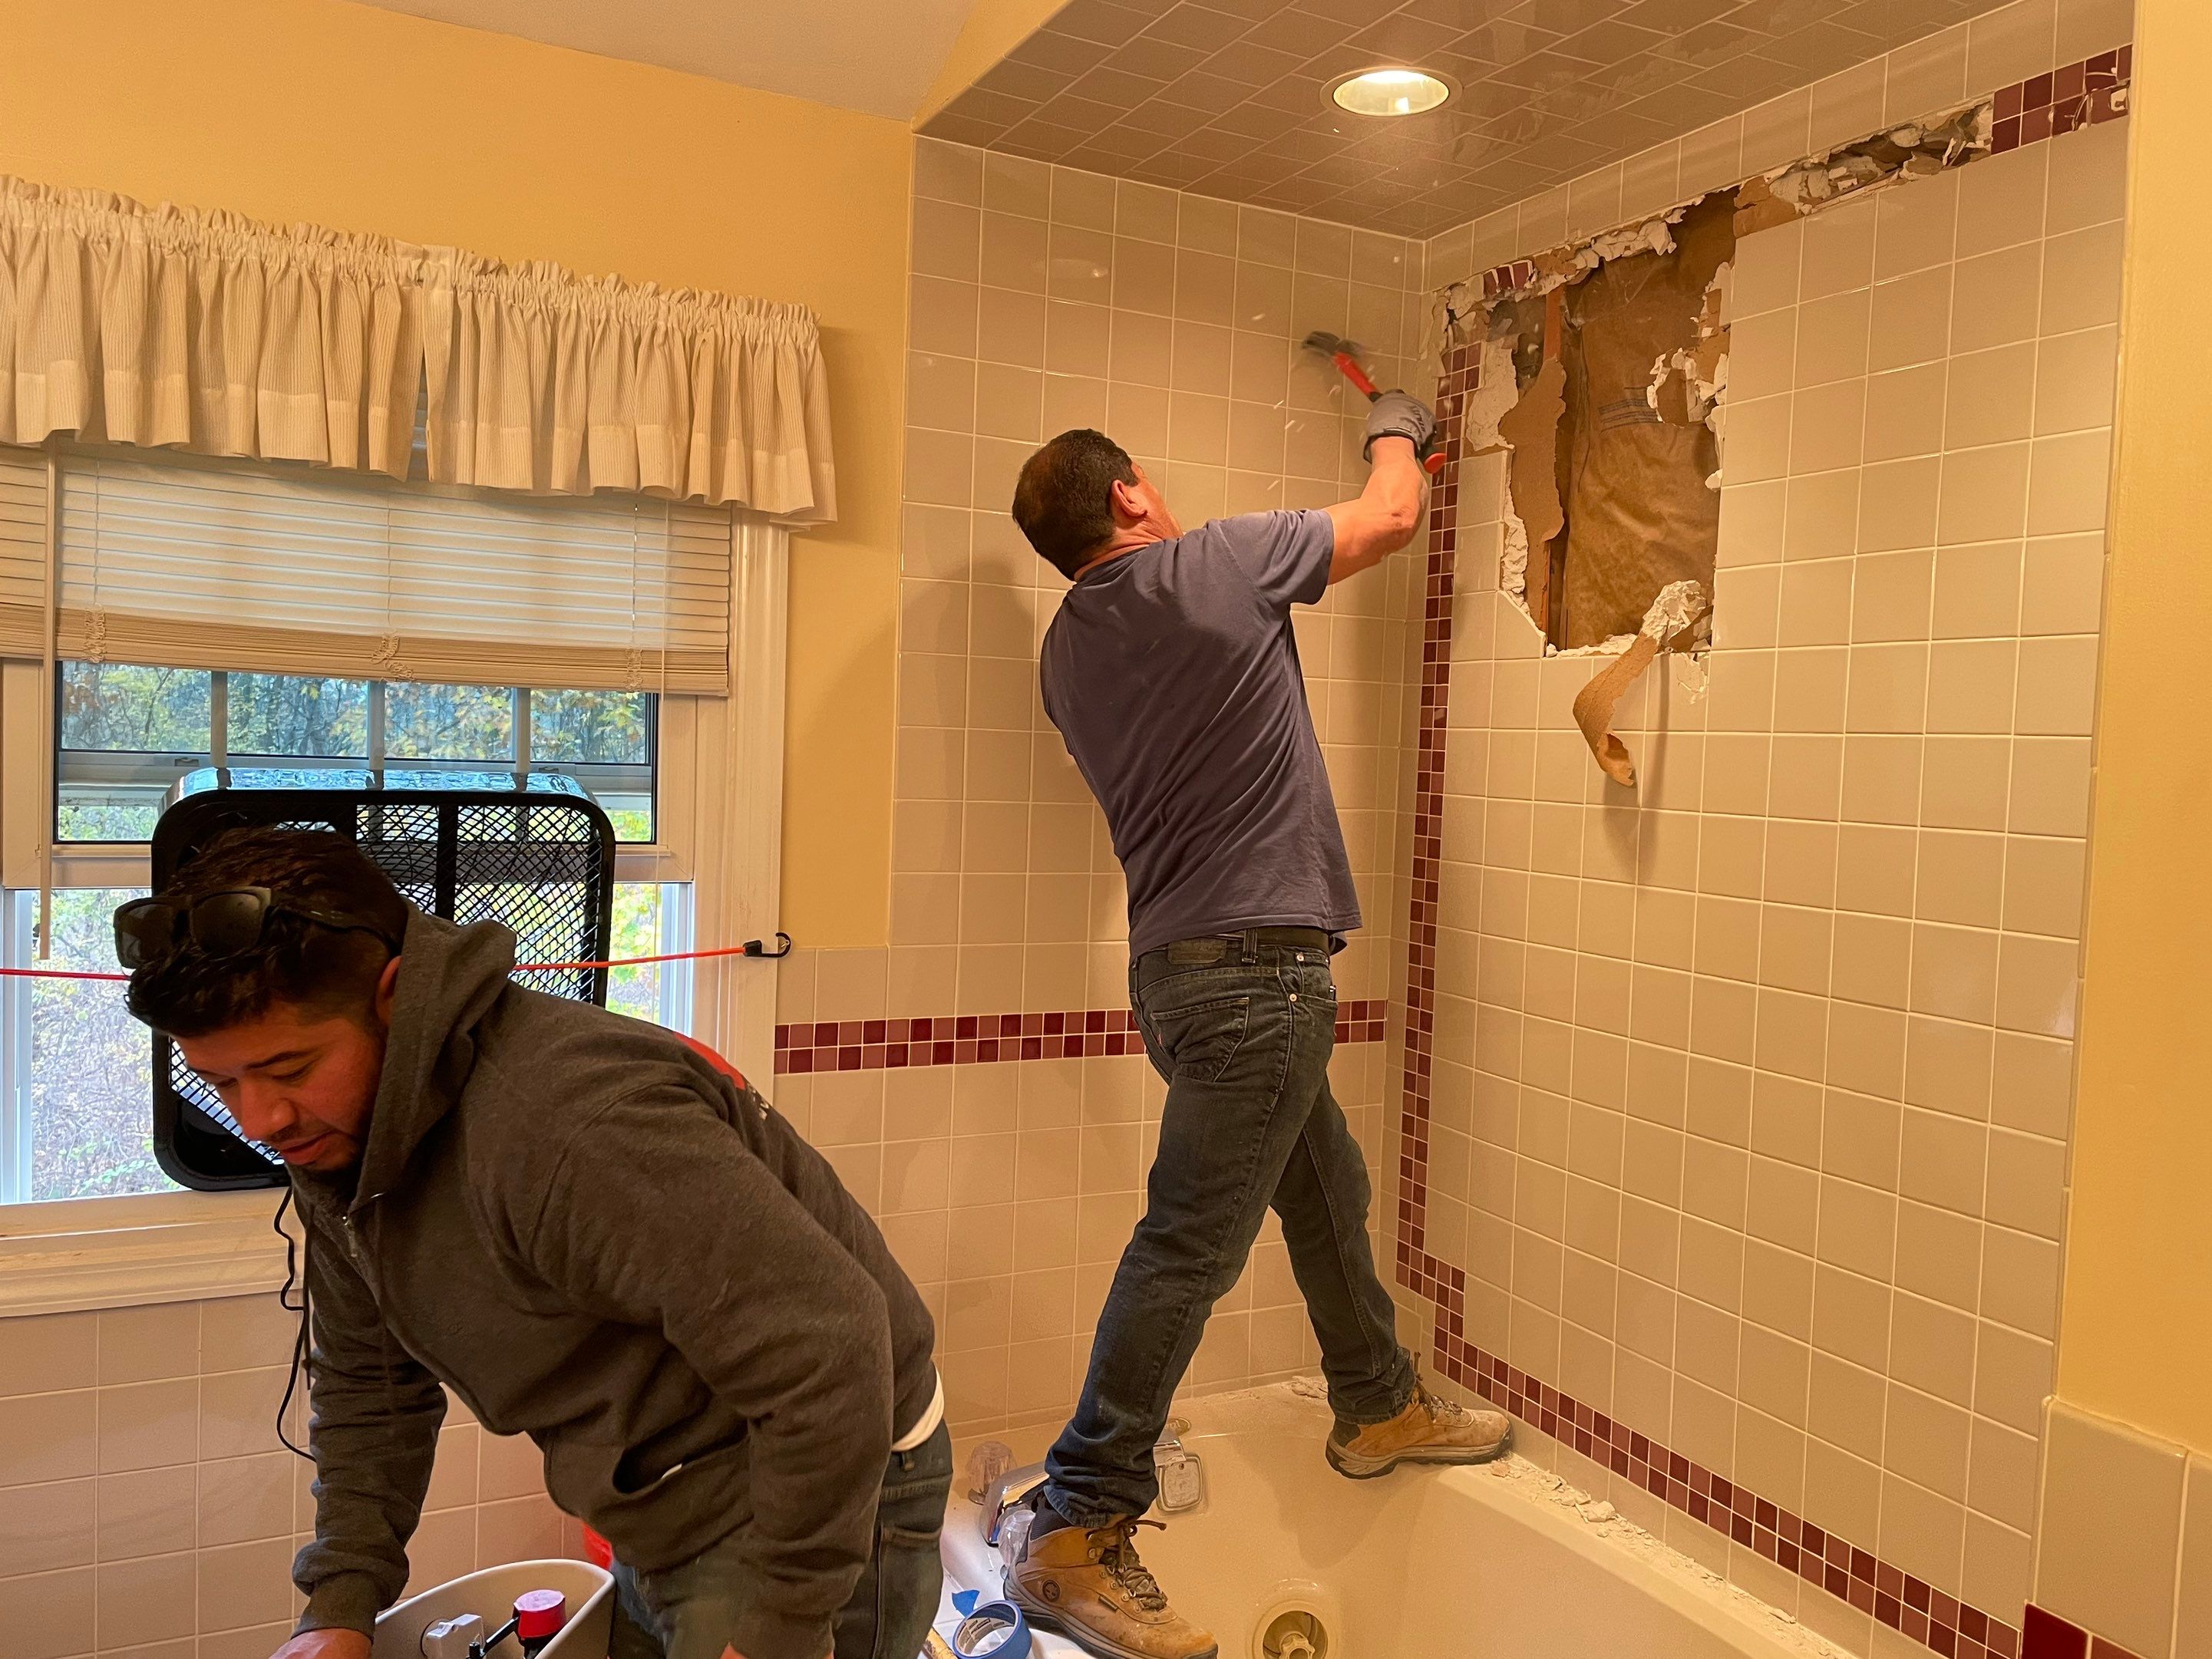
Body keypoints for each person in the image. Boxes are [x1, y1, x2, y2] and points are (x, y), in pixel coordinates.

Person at [116, 827, 949, 1659]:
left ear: (394, 997)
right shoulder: (341, 1137)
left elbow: (830, 1353)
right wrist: (340, 1604)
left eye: (290, 1069)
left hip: (820, 1481)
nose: (259, 1119)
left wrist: (776, 1635)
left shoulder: (571, 1126)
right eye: (220, 1081)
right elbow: (371, 1384)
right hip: (667, 1495)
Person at [1000, 396, 1513, 1659]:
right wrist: (1395, 425)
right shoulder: (1210, 565)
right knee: (1188, 1245)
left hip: (1177, 980)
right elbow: (1390, 515)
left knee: (1322, 1189)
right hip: (1256, 980)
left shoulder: (1065, 652)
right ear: (1127, 498)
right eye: (1150, 483)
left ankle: (1377, 1404)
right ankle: (1079, 1519)